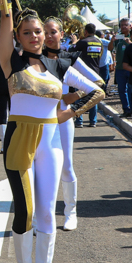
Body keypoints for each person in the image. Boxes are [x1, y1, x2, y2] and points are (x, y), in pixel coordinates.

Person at [0, 0, 102, 263]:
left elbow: (97, 89)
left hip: (50, 142)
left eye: (38, 31)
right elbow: (6, 19)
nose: (34, 36)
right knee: (24, 211)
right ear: (20, 39)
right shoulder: (12, 61)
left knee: (45, 213)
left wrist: (65, 115)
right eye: (27, 33)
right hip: (18, 140)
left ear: (46, 34)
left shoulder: (60, 63)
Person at [41, 17, 106, 231]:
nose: (49, 36)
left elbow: (98, 83)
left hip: (62, 118)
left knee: (66, 166)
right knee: (38, 168)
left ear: (62, 34)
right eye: (46, 32)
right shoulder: (35, 59)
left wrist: (72, 100)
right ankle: (41, 217)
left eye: (53, 32)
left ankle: (71, 213)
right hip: (38, 119)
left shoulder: (70, 59)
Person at [108, 18, 132, 118]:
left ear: (130, 26)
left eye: (125, 25)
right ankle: (126, 109)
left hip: (131, 68)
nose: (123, 27)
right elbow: (110, 48)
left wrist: (130, 43)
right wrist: (112, 40)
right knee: (121, 90)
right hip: (119, 67)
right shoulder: (118, 37)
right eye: (122, 25)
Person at [74, 24, 104, 127]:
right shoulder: (99, 42)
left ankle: (79, 121)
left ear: (86, 31)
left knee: (79, 96)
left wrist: (74, 42)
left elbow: (71, 53)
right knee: (93, 97)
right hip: (95, 72)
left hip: (83, 73)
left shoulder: (82, 42)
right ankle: (93, 121)